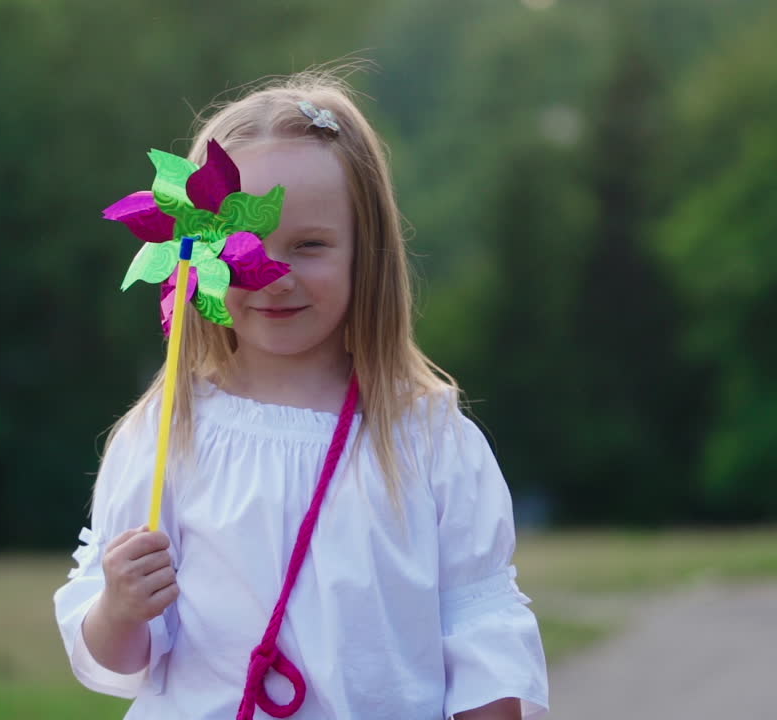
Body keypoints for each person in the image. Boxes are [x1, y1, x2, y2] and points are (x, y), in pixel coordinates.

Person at [53, 70, 549, 719]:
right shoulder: (168, 431)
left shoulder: (427, 436)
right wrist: (120, 606)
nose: (273, 275)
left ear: (364, 255)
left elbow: (481, 627)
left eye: (310, 246)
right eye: (243, 245)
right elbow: (117, 660)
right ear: (195, 250)